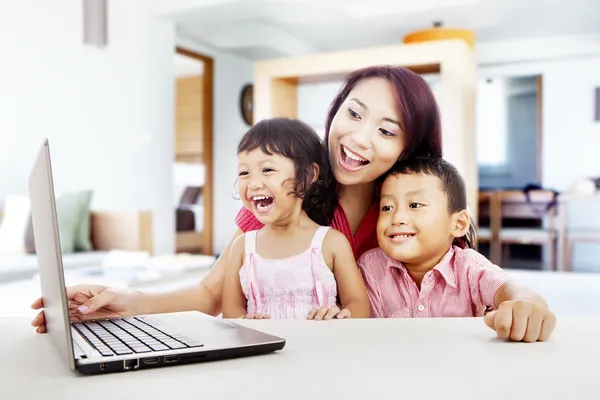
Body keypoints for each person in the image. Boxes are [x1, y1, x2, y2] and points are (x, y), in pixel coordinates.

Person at [31, 65, 443, 332]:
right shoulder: (283, 201)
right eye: (353, 114)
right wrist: (127, 301)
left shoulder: (410, 216)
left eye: (386, 130)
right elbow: (212, 293)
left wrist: (510, 299)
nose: (358, 137)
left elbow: (467, 279)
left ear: (409, 148)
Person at [358, 157, 557, 342]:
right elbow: (362, 333)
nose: (397, 218)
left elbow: (511, 289)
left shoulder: (469, 266)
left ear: (459, 224)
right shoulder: (370, 267)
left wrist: (525, 305)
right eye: (387, 207)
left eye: (415, 205)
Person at [222, 117, 370, 320]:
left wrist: (340, 316)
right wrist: (244, 321)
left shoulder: (331, 242)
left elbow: (358, 303)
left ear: (308, 175)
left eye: (267, 170)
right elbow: (231, 310)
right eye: (244, 172)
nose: (254, 183)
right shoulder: (242, 248)